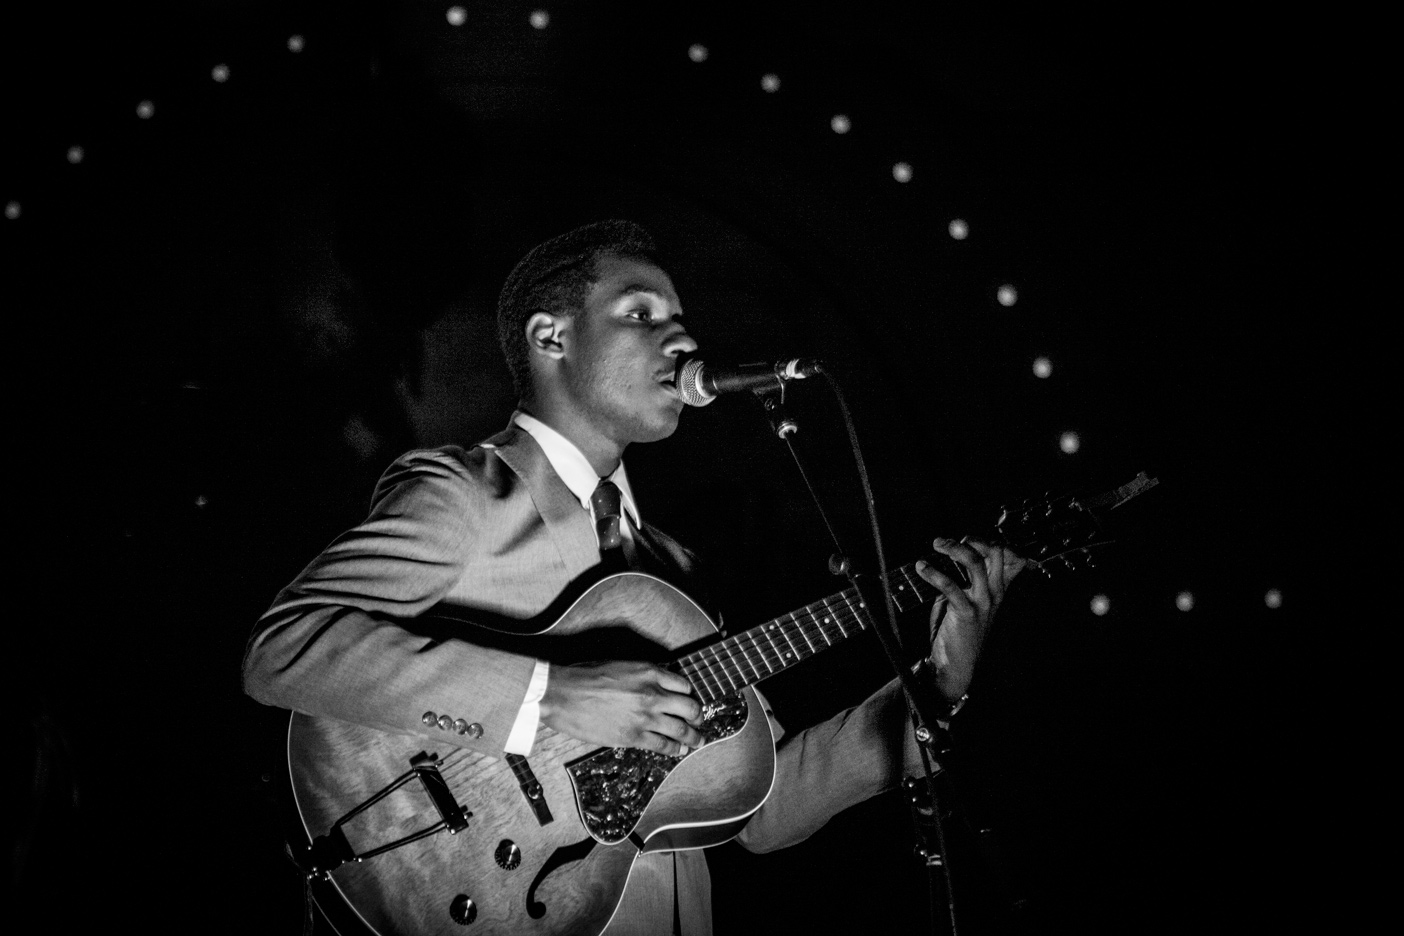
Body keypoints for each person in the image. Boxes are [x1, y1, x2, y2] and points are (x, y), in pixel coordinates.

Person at [243, 220, 1023, 935]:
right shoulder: (469, 494)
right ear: (551, 336)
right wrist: (553, 699)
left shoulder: (673, 571)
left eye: (680, 315)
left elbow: (766, 805)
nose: (681, 334)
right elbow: (283, 651)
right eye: (642, 313)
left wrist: (935, 687)